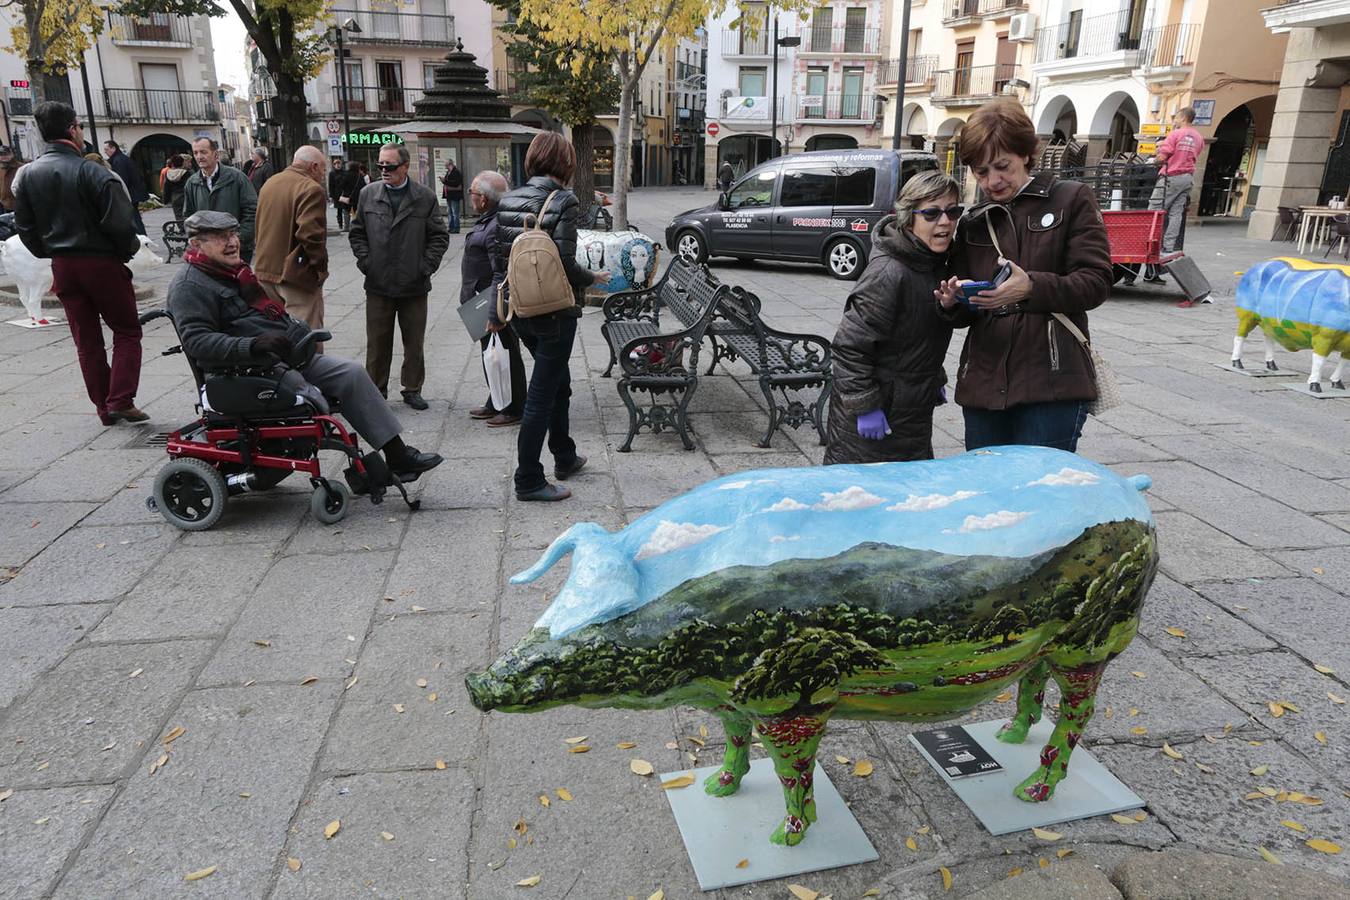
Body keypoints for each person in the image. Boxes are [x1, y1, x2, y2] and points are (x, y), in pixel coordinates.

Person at [168, 211, 442, 481]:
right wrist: (252, 345)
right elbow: (197, 341)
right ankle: (349, 462)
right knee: (311, 399)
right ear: (196, 244)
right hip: (242, 370)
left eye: (232, 234)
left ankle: (398, 457)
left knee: (351, 373)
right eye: (220, 237)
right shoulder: (190, 285)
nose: (232, 242)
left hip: (278, 358)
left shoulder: (232, 272)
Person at [934, 98, 1111, 454]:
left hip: (1052, 381)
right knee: (987, 497)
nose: (993, 181)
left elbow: (1095, 281)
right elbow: (964, 309)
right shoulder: (974, 220)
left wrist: (1031, 287)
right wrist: (954, 301)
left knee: (1042, 498)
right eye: (981, 172)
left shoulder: (1071, 199)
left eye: (1003, 166)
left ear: (1027, 154)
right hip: (984, 384)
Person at [494, 131, 609, 502]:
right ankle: (528, 478)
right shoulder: (563, 200)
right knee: (542, 394)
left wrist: (497, 309)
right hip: (555, 312)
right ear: (565, 163)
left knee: (558, 383)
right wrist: (594, 278)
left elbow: (499, 260)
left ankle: (565, 454)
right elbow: (564, 261)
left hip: (520, 308)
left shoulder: (508, 197)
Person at [14, 102, 145, 424]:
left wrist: (49, 252)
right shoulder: (93, 170)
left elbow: (25, 227)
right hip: (100, 261)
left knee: (86, 341)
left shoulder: (27, 174)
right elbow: (120, 222)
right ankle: (120, 399)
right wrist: (124, 253)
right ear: (73, 129)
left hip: (63, 263)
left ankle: (104, 405)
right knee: (127, 331)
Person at [825, 172, 961, 465]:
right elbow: (849, 347)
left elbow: (915, 334)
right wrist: (864, 406)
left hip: (911, 412)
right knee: (864, 501)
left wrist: (933, 376)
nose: (945, 221)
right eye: (932, 213)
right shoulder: (889, 273)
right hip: (877, 420)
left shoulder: (930, 262)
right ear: (908, 217)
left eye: (953, 211)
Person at [349, 142, 449, 410]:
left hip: (413, 284)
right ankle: (376, 392)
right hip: (378, 283)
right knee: (377, 342)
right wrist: (366, 262)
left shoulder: (424, 197)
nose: (384, 170)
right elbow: (357, 232)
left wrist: (425, 266)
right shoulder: (368, 194)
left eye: (389, 166)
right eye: (380, 165)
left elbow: (439, 236)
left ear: (405, 167)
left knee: (413, 342)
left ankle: (412, 388)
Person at [461, 170, 525, 426]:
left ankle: (514, 407)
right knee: (490, 352)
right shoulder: (489, 220)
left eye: (472, 192)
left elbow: (501, 272)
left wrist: (495, 312)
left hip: (489, 300)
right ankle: (496, 400)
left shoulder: (495, 225)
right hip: (479, 299)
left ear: (484, 198)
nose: (470, 197)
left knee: (506, 353)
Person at [253, 145, 329, 335]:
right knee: (305, 337)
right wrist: (320, 268)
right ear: (313, 167)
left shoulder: (270, 183)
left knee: (278, 333)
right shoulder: (311, 189)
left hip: (265, 270)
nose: (323, 175)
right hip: (295, 275)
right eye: (322, 169)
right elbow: (311, 236)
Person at [1151, 106, 1205, 301]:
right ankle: (1168, 246)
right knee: (1175, 213)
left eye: (1176, 117)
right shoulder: (1198, 137)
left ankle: (1151, 243)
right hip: (1187, 177)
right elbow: (1196, 154)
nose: (1174, 120)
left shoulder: (1175, 134)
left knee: (1154, 211)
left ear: (1182, 117)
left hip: (1171, 177)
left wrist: (1155, 161)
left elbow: (1163, 155)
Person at [182, 136, 257, 262]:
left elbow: (252, 209)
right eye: (196, 153)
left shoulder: (236, 177)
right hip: (208, 250)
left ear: (215, 154)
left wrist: (238, 237)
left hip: (236, 248)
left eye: (203, 152)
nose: (199, 157)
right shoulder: (192, 182)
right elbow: (188, 216)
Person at [103, 140, 147, 235]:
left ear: (113, 148)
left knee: (134, 218)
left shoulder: (118, 161)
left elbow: (122, 179)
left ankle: (142, 239)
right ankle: (141, 238)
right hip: (132, 194)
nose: (105, 152)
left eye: (106, 149)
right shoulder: (121, 159)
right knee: (134, 217)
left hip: (130, 194)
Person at [161, 154, 190, 223]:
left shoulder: (168, 174)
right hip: (186, 197)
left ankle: (181, 228)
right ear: (182, 163)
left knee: (178, 215)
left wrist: (165, 200)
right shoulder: (186, 173)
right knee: (188, 215)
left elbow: (166, 188)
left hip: (175, 198)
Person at [328, 157, 354, 232]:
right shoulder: (332, 173)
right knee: (339, 210)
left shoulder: (345, 172)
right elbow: (331, 184)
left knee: (346, 209)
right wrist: (331, 195)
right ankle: (340, 224)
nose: (337, 165)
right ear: (333, 165)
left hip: (344, 193)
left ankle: (347, 224)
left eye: (339, 163)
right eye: (335, 164)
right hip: (337, 194)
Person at [441, 158, 464, 234]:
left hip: (454, 195)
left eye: (446, 164)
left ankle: (456, 228)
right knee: (450, 212)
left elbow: (456, 183)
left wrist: (445, 181)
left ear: (450, 164)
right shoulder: (448, 172)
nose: (445, 166)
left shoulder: (456, 172)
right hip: (449, 195)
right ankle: (451, 227)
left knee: (455, 212)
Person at [0, 146, 20, 212]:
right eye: (1, 154)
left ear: (12, 154)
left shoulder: (21, 168)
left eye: (6, 154)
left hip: (21, 204)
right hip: (4, 205)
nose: (4, 156)